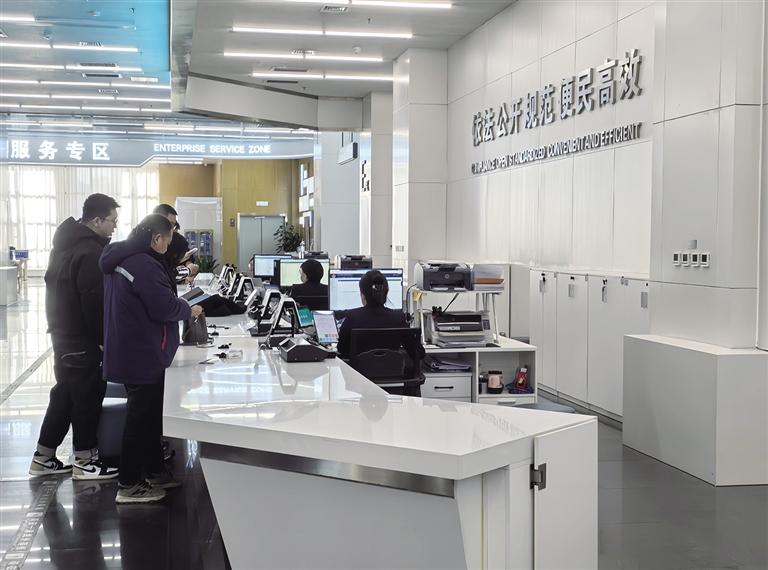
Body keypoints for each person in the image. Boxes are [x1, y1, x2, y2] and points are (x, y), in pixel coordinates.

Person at [100, 214, 203, 504]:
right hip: (141, 352)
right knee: (140, 420)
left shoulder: (124, 258)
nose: (168, 247)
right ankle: (130, 484)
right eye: (168, 240)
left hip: (133, 348)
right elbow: (163, 307)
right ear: (157, 239)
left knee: (147, 418)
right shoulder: (142, 264)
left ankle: (154, 471)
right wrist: (187, 309)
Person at [30, 193, 121, 480]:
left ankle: (43, 457)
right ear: (97, 220)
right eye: (112, 221)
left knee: (65, 396)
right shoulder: (89, 252)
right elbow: (93, 302)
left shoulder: (64, 245)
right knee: (87, 397)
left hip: (63, 334)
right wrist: (102, 338)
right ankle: (85, 460)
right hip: (82, 339)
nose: (114, 227)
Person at [336, 270, 420, 360]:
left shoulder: (352, 317)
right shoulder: (398, 318)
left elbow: (342, 349)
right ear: (386, 293)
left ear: (362, 294)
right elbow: (418, 353)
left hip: (359, 369)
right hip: (391, 369)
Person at [153, 203, 198, 279]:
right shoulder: (145, 250)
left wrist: (186, 265)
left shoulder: (177, 239)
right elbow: (159, 276)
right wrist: (188, 271)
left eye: (173, 226)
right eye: (169, 224)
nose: (171, 230)